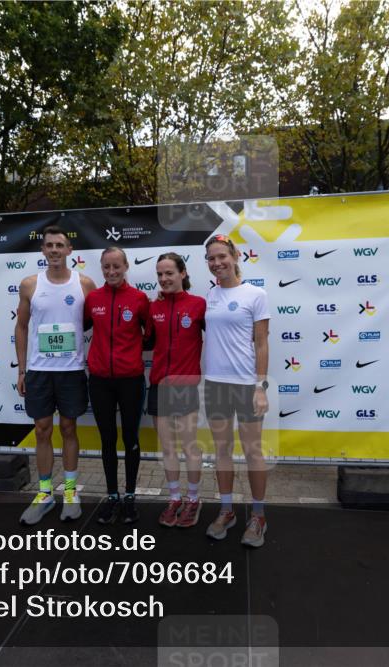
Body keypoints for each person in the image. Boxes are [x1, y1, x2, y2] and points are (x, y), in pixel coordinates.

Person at [14, 226, 96, 525]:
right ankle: (46, 492)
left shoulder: (84, 284)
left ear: (69, 251)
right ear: (43, 250)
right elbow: (21, 327)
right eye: (49, 245)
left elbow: (96, 324)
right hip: (39, 371)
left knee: (70, 429)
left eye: (60, 245)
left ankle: (71, 492)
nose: (54, 250)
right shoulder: (29, 285)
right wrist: (21, 369)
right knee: (42, 430)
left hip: (72, 371)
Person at [202, 234, 271, 547]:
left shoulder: (256, 294)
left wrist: (260, 387)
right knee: (222, 451)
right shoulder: (211, 294)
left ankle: (258, 517)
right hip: (216, 384)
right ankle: (227, 510)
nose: (217, 263)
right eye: (212, 259)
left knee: (253, 452)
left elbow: (261, 343)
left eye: (221, 256)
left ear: (234, 256)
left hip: (246, 386)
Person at [83, 247, 151, 524]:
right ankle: (112, 496)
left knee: (131, 440)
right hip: (100, 381)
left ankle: (130, 497)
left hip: (131, 381)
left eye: (116, 266)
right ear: (101, 268)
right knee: (108, 439)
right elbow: (84, 327)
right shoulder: (93, 299)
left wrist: (130, 354)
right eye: (106, 267)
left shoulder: (139, 298)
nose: (111, 272)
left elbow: (150, 335)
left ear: (125, 267)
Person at [148, 252, 206, 529]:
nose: (164, 278)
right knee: (168, 447)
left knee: (189, 446)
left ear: (182, 273)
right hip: (158, 384)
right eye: (160, 274)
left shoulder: (199, 305)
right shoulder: (153, 308)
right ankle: (174, 498)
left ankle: (193, 498)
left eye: (169, 273)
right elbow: (146, 341)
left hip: (184, 386)